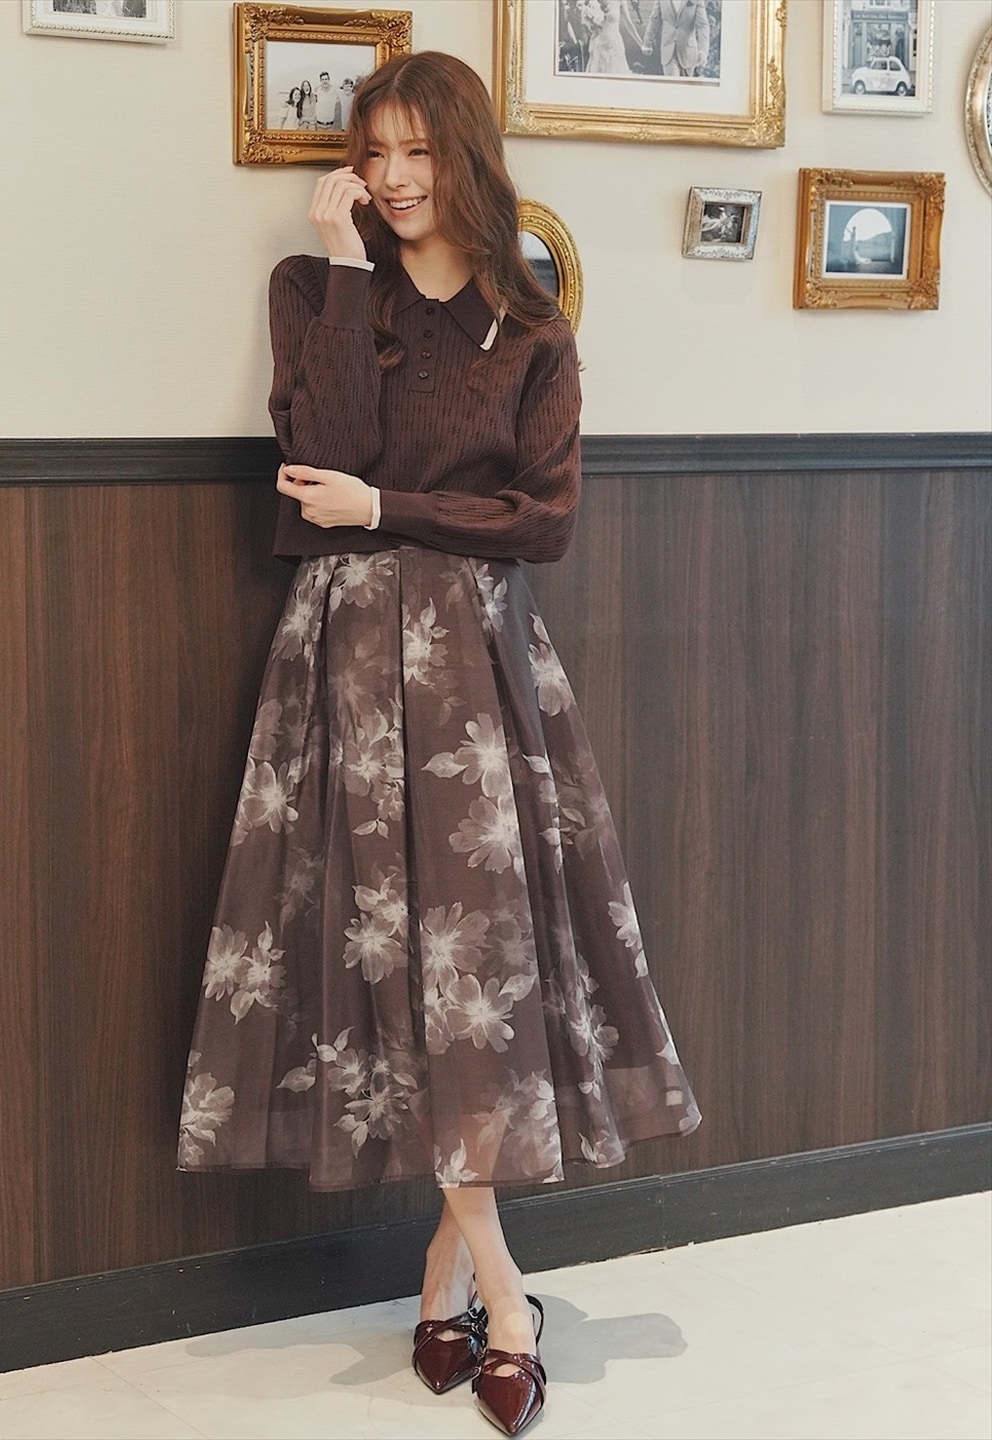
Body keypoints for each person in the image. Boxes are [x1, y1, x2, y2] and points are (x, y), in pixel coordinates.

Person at [177, 49, 700, 1437]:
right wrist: (349, 271)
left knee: (471, 971)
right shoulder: (316, 290)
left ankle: (449, 1276)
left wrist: (386, 511)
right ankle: (500, 1294)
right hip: (345, 658)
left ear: (465, 156)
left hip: (476, 663)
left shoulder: (533, 326)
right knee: (381, 956)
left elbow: (544, 522)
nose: (395, 177)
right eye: (376, 152)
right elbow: (320, 463)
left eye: (418, 151)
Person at [642, 0, 710, 77]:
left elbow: (702, 26)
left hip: (688, 52)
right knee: (672, 82)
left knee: (686, 84)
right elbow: (654, 19)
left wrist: (703, 51)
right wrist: (647, 42)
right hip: (668, 50)